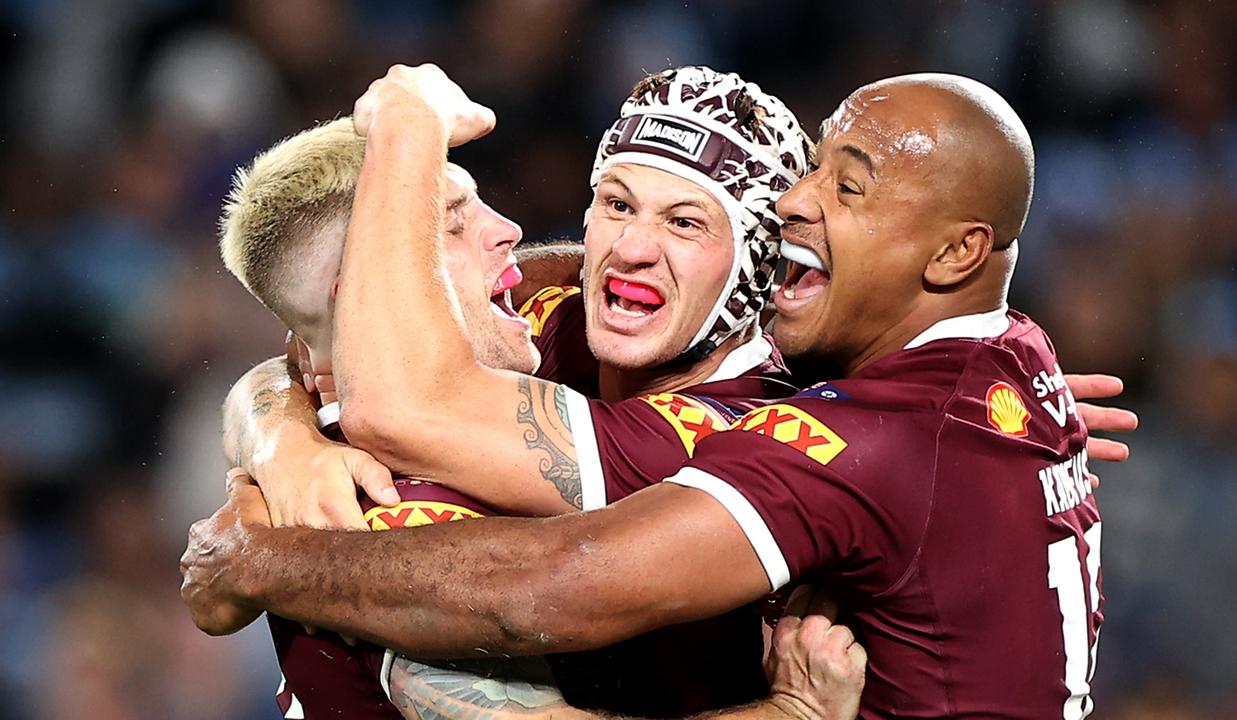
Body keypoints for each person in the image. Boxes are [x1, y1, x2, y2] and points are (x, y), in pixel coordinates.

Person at [184, 70, 1115, 717]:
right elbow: (331, 348)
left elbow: (551, 583)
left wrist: (261, 555)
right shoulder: (546, 325)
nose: (623, 249)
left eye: (685, 221)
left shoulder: (788, 430)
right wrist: (280, 422)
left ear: (749, 265)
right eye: (615, 205)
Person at [215, 116, 870, 720]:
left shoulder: (515, 349)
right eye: (449, 223)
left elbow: (299, 356)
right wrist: (795, 714)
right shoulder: (397, 506)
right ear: (365, 293)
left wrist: (275, 433)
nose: (507, 230)